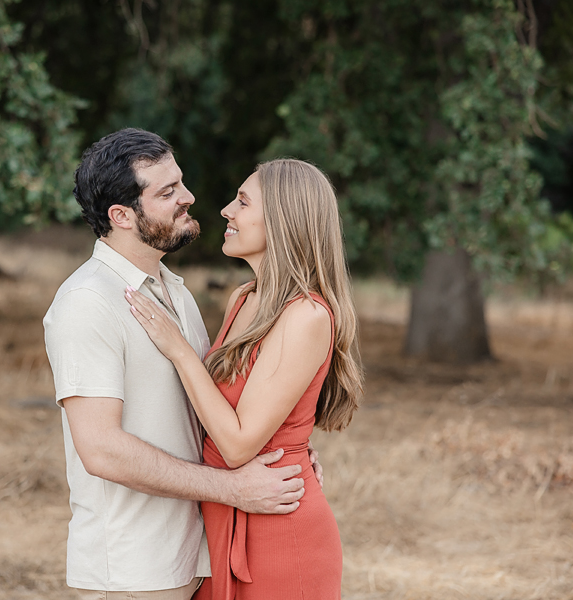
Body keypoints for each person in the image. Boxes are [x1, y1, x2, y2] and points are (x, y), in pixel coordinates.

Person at [43, 130, 323, 600]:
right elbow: (102, 450)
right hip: (135, 571)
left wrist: (283, 449)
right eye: (167, 192)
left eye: (181, 183)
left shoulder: (173, 290)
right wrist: (233, 488)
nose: (189, 198)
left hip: (197, 558)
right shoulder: (87, 302)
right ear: (122, 216)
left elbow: (210, 403)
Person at [124, 159, 363, 600]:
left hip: (279, 531)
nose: (225, 211)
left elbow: (237, 445)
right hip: (219, 520)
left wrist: (178, 349)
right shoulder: (244, 298)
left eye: (243, 201)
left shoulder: (306, 316)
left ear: (284, 220)